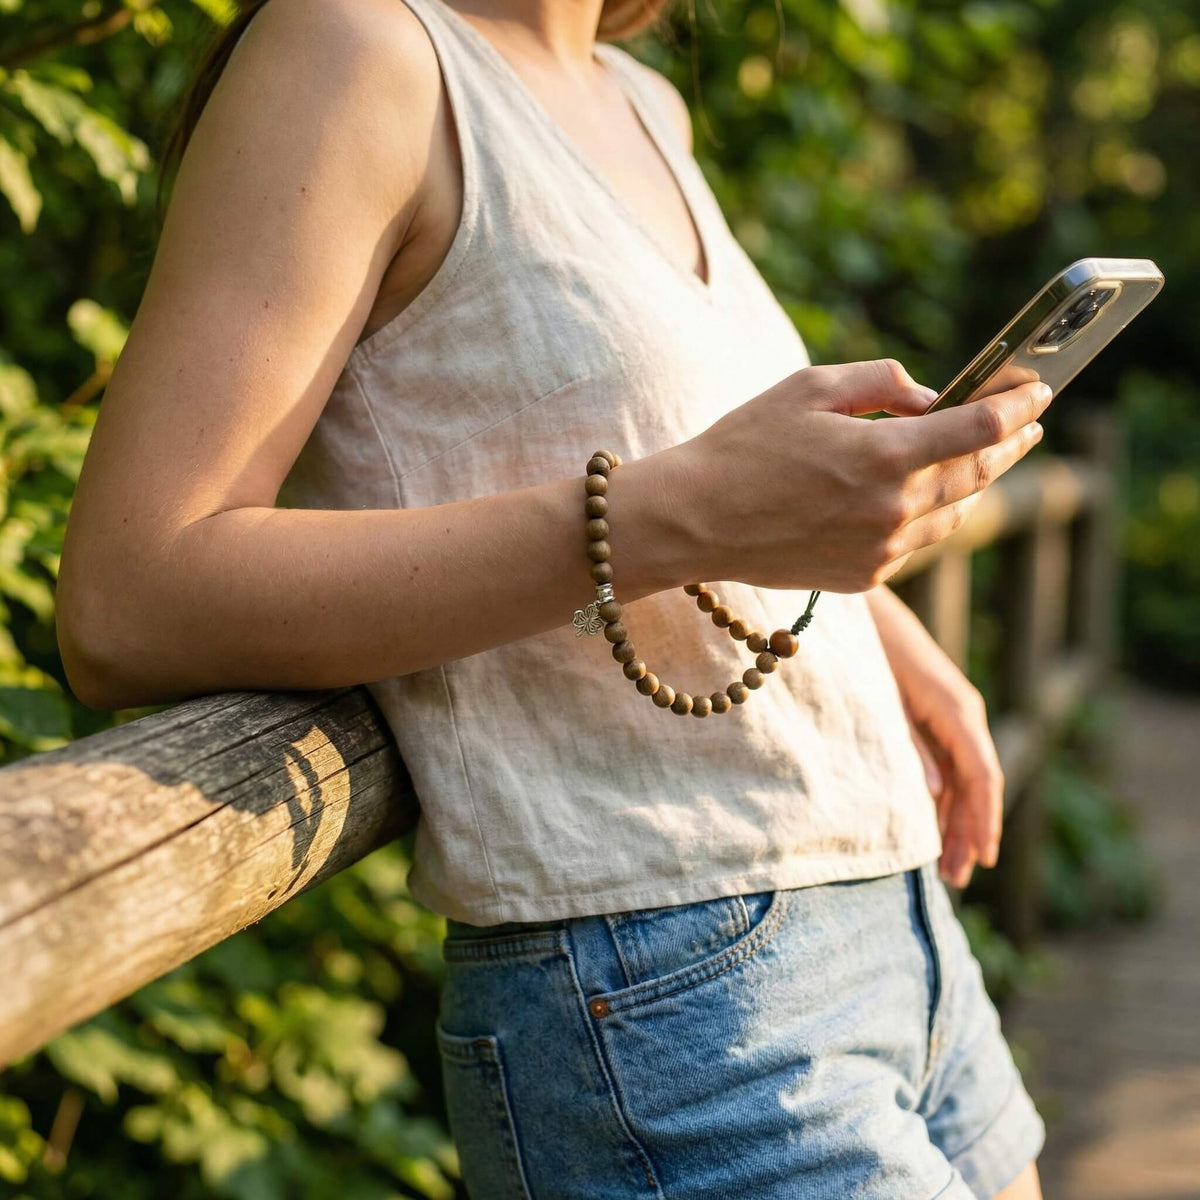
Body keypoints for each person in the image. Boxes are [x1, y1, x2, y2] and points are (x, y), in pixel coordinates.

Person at [55, 0, 1050, 1194]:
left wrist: (888, 642)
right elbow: (130, 599)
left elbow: (658, 451)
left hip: (899, 914)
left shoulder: (641, 100)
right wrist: (678, 517)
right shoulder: (358, 48)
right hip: (671, 988)